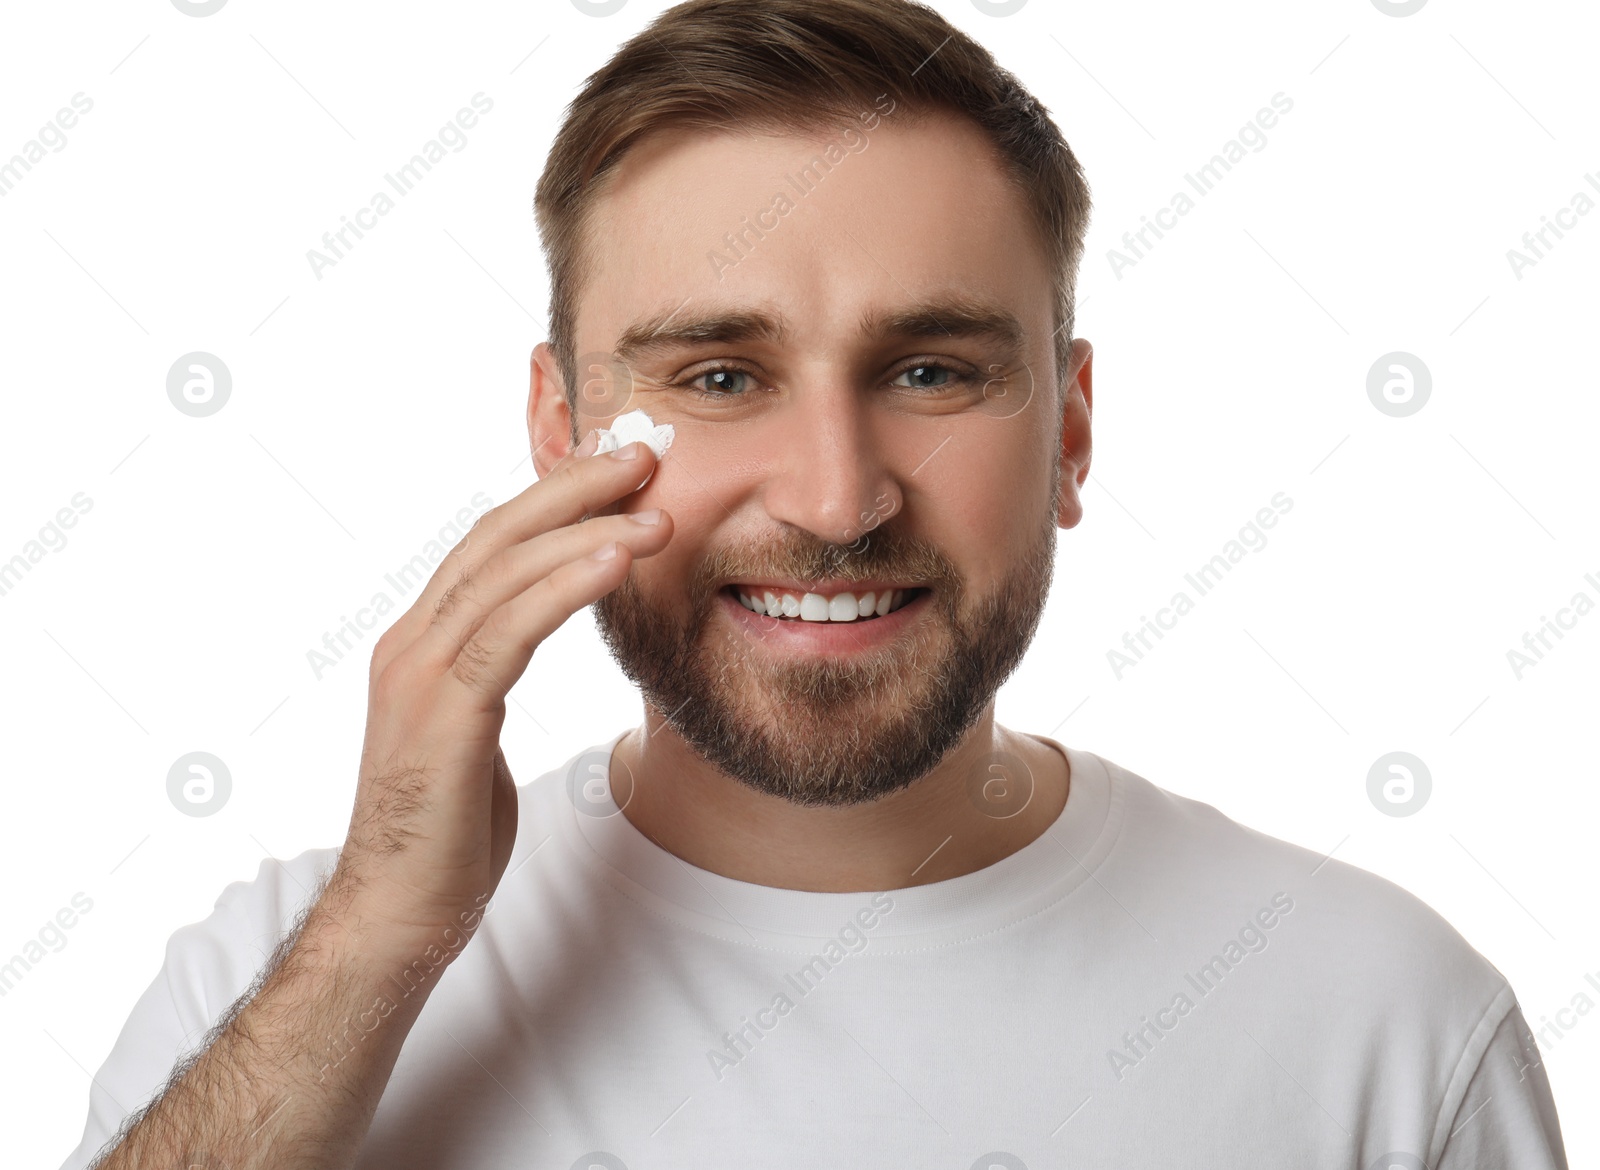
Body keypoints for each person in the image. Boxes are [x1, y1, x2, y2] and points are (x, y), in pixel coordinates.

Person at [62, 1, 1567, 1167]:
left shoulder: (1384, 1023)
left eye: (931, 369)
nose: (836, 496)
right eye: (720, 375)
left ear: (1074, 430)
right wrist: (382, 930)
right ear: (557, 431)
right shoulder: (285, 985)